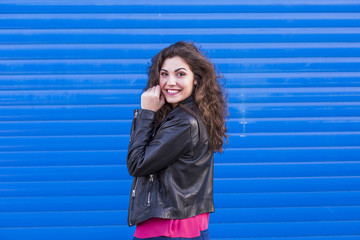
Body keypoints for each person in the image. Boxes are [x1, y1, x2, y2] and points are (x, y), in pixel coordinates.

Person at [126, 41, 228, 240]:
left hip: (168, 228)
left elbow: (137, 164)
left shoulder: (183, 123)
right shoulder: (191, 114)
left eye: (180, 74)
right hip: (183, 224)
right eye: (164, 74)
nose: (170, 82)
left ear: (196, 79)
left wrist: (146, 113)